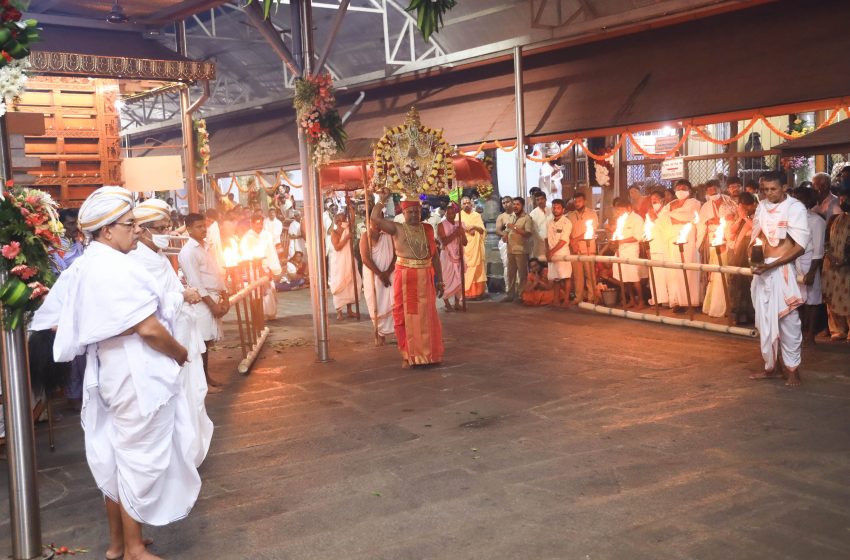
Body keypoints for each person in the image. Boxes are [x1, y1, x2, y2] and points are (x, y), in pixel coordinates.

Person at [52, 186, 196, 560]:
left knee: (115, 453)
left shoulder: (89, 263)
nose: (137, 230)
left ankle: (119, 543)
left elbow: (61, 324)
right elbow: (148, 328)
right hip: (134, 372)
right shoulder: (109, 267)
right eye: (129, 224)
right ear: (106, 231)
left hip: (112, 369)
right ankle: (132, 548)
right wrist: (179, 353)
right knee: (139, 456)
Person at [130, 199, 213, 467]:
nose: (167, 232)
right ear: (141, 230)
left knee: (192, 397)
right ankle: (179, 457)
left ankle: (190, 453)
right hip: (167, 342)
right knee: (175, 402)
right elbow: (150, 304)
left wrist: (182, 293)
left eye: (168, 226)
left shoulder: (159, 255)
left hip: (183, 331)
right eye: (160, 227)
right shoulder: (136, 260)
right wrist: (182, 296)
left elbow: (170, 289)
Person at [749, 172, 810, 387]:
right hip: (763, 272)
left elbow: (800, 246)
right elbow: (757, 237)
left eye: (773, 189)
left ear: (784, 187)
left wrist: (772, 265)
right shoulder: (761, 207)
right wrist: (755, 261)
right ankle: (771, 367)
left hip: (781, 271)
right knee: (764, 322)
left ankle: (793, 370)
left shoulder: (795, 208)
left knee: (789, 322)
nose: (768, 193)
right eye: (764, 189)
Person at [370, 193, 444, 367]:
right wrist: (383, 198)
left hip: (426, 276)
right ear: (403, 213)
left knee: (427, 317)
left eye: (417, 211)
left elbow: (434, 257)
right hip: (406, 277)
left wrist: (440, 279)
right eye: (410, 211)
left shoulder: (428, 229)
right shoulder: (397, 228)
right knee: (407, 316)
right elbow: (374, 218)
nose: (414, 215)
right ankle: (409, 354)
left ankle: (430, 355)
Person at [178, 213, 230, 394]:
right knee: (201, 343)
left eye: (204, 226)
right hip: (202, 302)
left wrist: (225, 296)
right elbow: (196, 283)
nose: (203, 230)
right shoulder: (188, 252)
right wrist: (212, 305)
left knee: (207, 343)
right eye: (199, 227)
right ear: (189, 229)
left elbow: (215, 272)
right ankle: (203, 383)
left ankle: (206, 379)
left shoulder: (205, 246)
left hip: (214, 297)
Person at [659, 179, 701, 313]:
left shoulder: (694, 203)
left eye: (684, 188)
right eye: (678, 188)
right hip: (672, 239)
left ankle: (691, 302)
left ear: (689, 190)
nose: (680, 190)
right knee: (674, 271)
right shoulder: (670, 203)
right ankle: (678, 301)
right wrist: (674, 216)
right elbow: (662, 218)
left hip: (687, 239)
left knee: (688, 269)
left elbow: (690, 217)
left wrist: (674, 216)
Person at [791, 187, 826, 345]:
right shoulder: (791, 219)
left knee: (811, 300)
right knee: (796, 300)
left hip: (809, 263)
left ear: (806, 202)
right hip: (793, 262)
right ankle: (797, 332)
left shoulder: (816, 221)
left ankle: (810, 334)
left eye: (797, 199)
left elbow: (818, 249)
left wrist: (812, 272)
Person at [698, 179, 738, 318]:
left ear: (719, 189)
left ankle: (730, 304)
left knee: (728, 272)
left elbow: (735, 217)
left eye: (714, 189)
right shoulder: (705, 207)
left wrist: (722, 220)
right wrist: (713, 221)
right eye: (709, 190)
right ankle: (716, 304)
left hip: (729, 240)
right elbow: (703, 223)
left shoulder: (730, 202)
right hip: (714, 241)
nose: (712, 192)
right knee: (716, 272)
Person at [360, 202, 396, 345]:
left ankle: (395, 331)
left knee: (392, 300)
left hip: (390, 274)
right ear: (369, 220)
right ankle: (379, 333)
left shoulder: (390, 234)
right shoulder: (365, 236)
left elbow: (396, 255)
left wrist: (388, 272)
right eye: (375, 218)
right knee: (375, 303)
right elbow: (365, 258)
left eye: (380, 217)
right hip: (373, 276)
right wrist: (380, 274)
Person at [242, 211, 283, 320]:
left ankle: (270, 314)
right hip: (253, 268)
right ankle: (258, 315)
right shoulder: (247, 237)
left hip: (266, 266)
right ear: (251, 224)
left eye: (261, 223)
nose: (259, 226)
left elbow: (272, 252)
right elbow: (245, 254)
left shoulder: (267, 235)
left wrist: (274, 269)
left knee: (269, 290)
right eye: (257, 223)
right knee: (256, 292)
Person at [821, 186, 850, 341]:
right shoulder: (834, 219)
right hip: (832, 265)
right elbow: (826, 240)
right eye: (842, 198)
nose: (843, 201)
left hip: (847, 266)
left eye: (846, 198)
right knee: (832, 297)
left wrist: (844, 260)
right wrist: (830, 256)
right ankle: (837, 329)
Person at [610, 197, 645, 309]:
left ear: (629, 208)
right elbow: (617, 234)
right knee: (625, 278)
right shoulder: (620, 219)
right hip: (621, 250)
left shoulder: (637, 219)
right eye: (618, 210)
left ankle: (641, 301)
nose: (619, 212)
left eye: (621, 210)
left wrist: (620, 241)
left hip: (631, 250)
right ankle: (631, 300)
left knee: (634, 278)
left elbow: (637, 237)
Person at [728, 192, 758, 325]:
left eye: (747, 207)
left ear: (753, 205)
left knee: (750, 282)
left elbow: (757, 228)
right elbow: (732, 231)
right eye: (742, 207)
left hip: (752, 249)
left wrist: (745, 217)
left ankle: (751, 313)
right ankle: (738, 314)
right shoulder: (740, 215)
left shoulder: (758, 214)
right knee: (737, 282)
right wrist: (740, 218)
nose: (745, 209)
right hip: (738, 250)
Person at [567, 192, 599, 304]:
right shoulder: (570, 215)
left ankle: (592, 297)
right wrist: (573, 243)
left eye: (579, 201)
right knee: (577, 276)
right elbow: (568, 231)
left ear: (584, 201)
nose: (577, 203)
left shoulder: (592, 213)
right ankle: (578, 297)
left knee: (590, 274)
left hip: (588, 248)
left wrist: (576, 240)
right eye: (575, 201)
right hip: (575, 249)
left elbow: (591, 230)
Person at [329, 212, 361, 321]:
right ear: (338, 222)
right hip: (339, 261)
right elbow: (337, 247)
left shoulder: (347, 227)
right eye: (343, 220)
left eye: (345, 219)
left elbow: (353, 217)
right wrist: (347, 238)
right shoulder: (334, 232)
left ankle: (349, 310)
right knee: (340, 283)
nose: (346, 221)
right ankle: (339, 311)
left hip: (349, 258)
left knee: (351, 283)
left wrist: (350, 204)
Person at [503, 197, 533, 302]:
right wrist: (505, 235)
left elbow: (528, 234)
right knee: (510, 273)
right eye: (514, 204)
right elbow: (506, 229)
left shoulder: (527, 218)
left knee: (522, 274)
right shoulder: (511, 216)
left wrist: (514, 228)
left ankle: (522, 295)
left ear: (522, 206)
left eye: (517, 204)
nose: (515, 206)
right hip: (510, 249)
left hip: (521, 250)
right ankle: (510, 294)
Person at [438, 202, 466, 312]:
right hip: (447, 256)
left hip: (459, 255)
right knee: (446, 279)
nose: (450, 215)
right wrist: (455, 233)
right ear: (445, 214)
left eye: (452, 213)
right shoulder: (441, 225)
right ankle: (447, 303)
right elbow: (444, 242)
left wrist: (462, 233)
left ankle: (457, 303)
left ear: (455, 213)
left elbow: (465, 243)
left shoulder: (460, 224)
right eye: (448, 213)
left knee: (460, 280)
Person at [645, 189, 670, 307]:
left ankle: (666, 300)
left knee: (664, 275)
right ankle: (657, 299)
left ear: (662, 200)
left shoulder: (666, 212)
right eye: (652, 200)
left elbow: (666, 228)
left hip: (664, 247)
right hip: (653, 246)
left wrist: (655, 218)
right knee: (655, 276)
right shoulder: (648, 213)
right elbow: (646, 229)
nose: (654, 201)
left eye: (656, 199)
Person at [546, 198, 572, 307]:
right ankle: (556, 300)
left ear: (563, 209)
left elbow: (564, 240)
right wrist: (547, 251)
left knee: (566, 277)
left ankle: (566, 300)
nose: (555, 210)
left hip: (562, 252)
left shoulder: (567, 222)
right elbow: (547, 238)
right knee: (555, 278)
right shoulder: (549, 222)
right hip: (551, 253)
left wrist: (551, 251)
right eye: (554, 207)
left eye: (558, 208)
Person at [459, 196, 486, 299]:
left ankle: (477, 292)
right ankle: (465, 292)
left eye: (468, 203)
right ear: (461, 205)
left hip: (475, 246)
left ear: (471, 204)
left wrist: (475, 227)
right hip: (464, 246)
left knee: (477, 268)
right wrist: (465, 230)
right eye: (464, 203)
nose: (466, 205)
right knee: (465, 268)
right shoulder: (458, 216)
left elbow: (483, 230)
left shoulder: (477, 216)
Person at [528, 191, 552, 261]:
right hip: (539, 245)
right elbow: (533, 230)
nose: (540, 201)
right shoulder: (533, 214)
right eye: (537, 200)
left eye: (542, 199)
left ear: (545, 199)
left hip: (552, 243)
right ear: (535, 201)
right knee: (540, 265)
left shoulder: (551, 210)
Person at [495, 196, 514, 280]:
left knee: (520, 264)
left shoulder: (518, 214)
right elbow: (498, 230)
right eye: (503, 203)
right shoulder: (501, 217)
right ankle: (509, 287)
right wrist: (505, 235)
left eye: (507, 202)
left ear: (512, 202)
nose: (506, 204)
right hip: (506, 242)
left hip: (518, 242)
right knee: (507, 264)